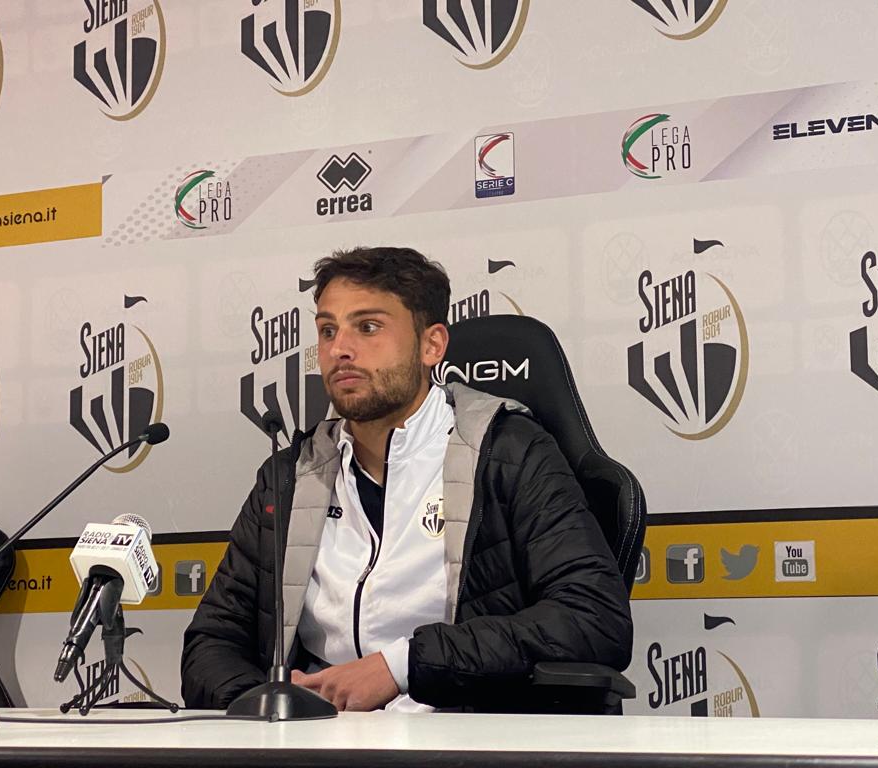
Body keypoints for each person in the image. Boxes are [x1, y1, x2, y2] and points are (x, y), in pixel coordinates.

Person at [181, 247, 632, 712]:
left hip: (456, 737)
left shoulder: (509, 453)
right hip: (313, 739)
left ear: (431, 346)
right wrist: (267, 705)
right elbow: (211, 641)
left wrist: (400, 667)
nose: (339, 350)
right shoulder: (289, 477)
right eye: (328, 330)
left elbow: (594, 618)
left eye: (368, 327)